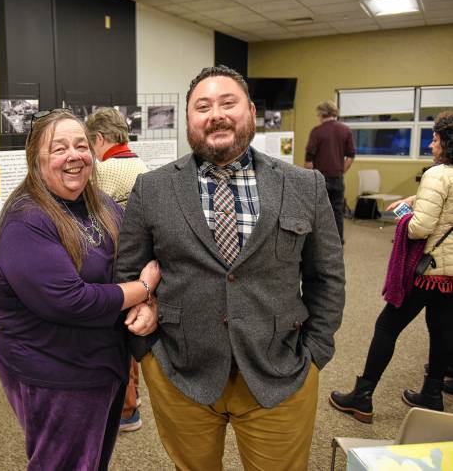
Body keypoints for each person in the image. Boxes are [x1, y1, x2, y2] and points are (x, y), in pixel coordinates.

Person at [115, 65, 346, 470]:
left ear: (251, 112)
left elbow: (326, 276)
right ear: (189, 120)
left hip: (280, 372)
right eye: (202, 106)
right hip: (181, 373)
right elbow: (128, 272)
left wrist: (315, 354)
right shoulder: (152, 190)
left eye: (228, 103)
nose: (215, 114)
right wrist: (147, 353)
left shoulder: (303, 186)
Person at [0, 108, 161, 470]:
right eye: (59, 148)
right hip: (56, 371)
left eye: (81, 146)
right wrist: (144, 288)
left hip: (101, 363)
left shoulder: (99, 203)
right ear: (35, 159)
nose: (74, 156)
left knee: (92, 460)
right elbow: (71, 300)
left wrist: (150, 303)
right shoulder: (27, 220)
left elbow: (137, 254)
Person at [330, 110, 453, 421]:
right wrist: (417, 198)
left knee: (387, 326)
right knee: (441, 330)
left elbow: (420, 229)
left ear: (447, 142)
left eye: (435, 139)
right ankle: (432, 394)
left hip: (427, 269)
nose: (431, 145)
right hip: (450, 272)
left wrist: (404, 218)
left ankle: (362, 396)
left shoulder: (438, 175)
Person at [86, 107, 150, 432]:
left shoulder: (106, 170)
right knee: (132, 329)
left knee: (116, 337)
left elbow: (91, 217)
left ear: (99, 138)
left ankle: (126, 411)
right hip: (140, 262)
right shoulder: (142, 164)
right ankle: (132, 403)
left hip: (114, 262)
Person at [305, 100, 355, 244]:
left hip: (319, 178)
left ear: (321, 113)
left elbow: (309, 159)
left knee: (318, 211)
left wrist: (311, 178)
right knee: (337, 210)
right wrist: (341, 170)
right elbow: (351, 156)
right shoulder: (346, 130)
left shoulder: (317, 131)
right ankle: (338, 240)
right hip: (338, 177)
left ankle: (320, 241)